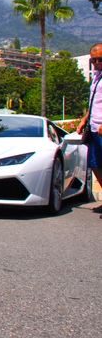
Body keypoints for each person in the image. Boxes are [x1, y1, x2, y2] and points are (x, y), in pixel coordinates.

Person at [77, 43, 102, 216]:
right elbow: (93, 102)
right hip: (94, 129)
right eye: (94, 60)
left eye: (100, 59)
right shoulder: (96, 77)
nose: (97, 62)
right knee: (95, 165)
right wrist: (85, 119)